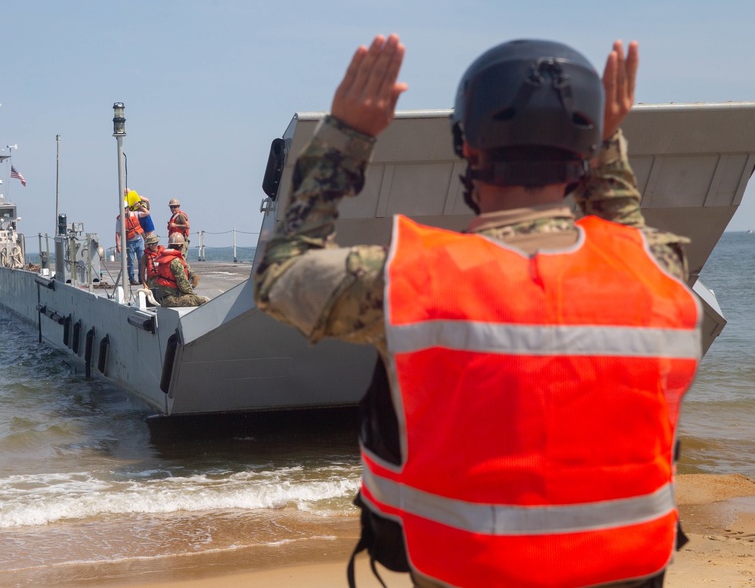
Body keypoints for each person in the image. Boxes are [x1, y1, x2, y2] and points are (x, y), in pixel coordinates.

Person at [254, 34, 700, 588]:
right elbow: (623, 234)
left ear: (468, 147)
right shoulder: (659, 271)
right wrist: (604, 141)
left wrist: (347, 134)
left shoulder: (406, 280)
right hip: (631, 570)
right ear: (585, 154)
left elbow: (280, 275)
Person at [146, 232, 208, 307]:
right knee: (204, 300)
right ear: (181, 247)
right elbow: (183, 285)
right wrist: (193, 295)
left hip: (162, 298)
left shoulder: (163, 258)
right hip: (172, 299)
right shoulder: (176, 261)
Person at [115, 204, 144, 285]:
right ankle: (131, 279)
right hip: (129, 242)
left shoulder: (135, 214)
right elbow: (118, 233)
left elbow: (147, 213)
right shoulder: (120, 219)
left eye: (125, 208)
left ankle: (141, 278)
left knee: (141, 260)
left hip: (139, 240)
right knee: (130, 261)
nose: (124, 210)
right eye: (122, 209)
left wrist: (139, 205)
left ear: (128, 208)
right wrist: (118, 245)